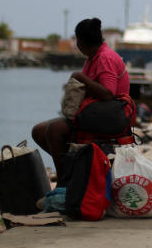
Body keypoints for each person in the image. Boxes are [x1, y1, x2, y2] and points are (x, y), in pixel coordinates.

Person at [32, 18, 129, 181]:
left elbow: (108, 94)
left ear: (81, 41)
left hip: (110, 117)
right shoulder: (93, 57)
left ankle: (64, 181)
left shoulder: (105, 58)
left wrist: (79, 77)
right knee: (39, 131)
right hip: (94, 113)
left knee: (54, 130)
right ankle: (72, 170)